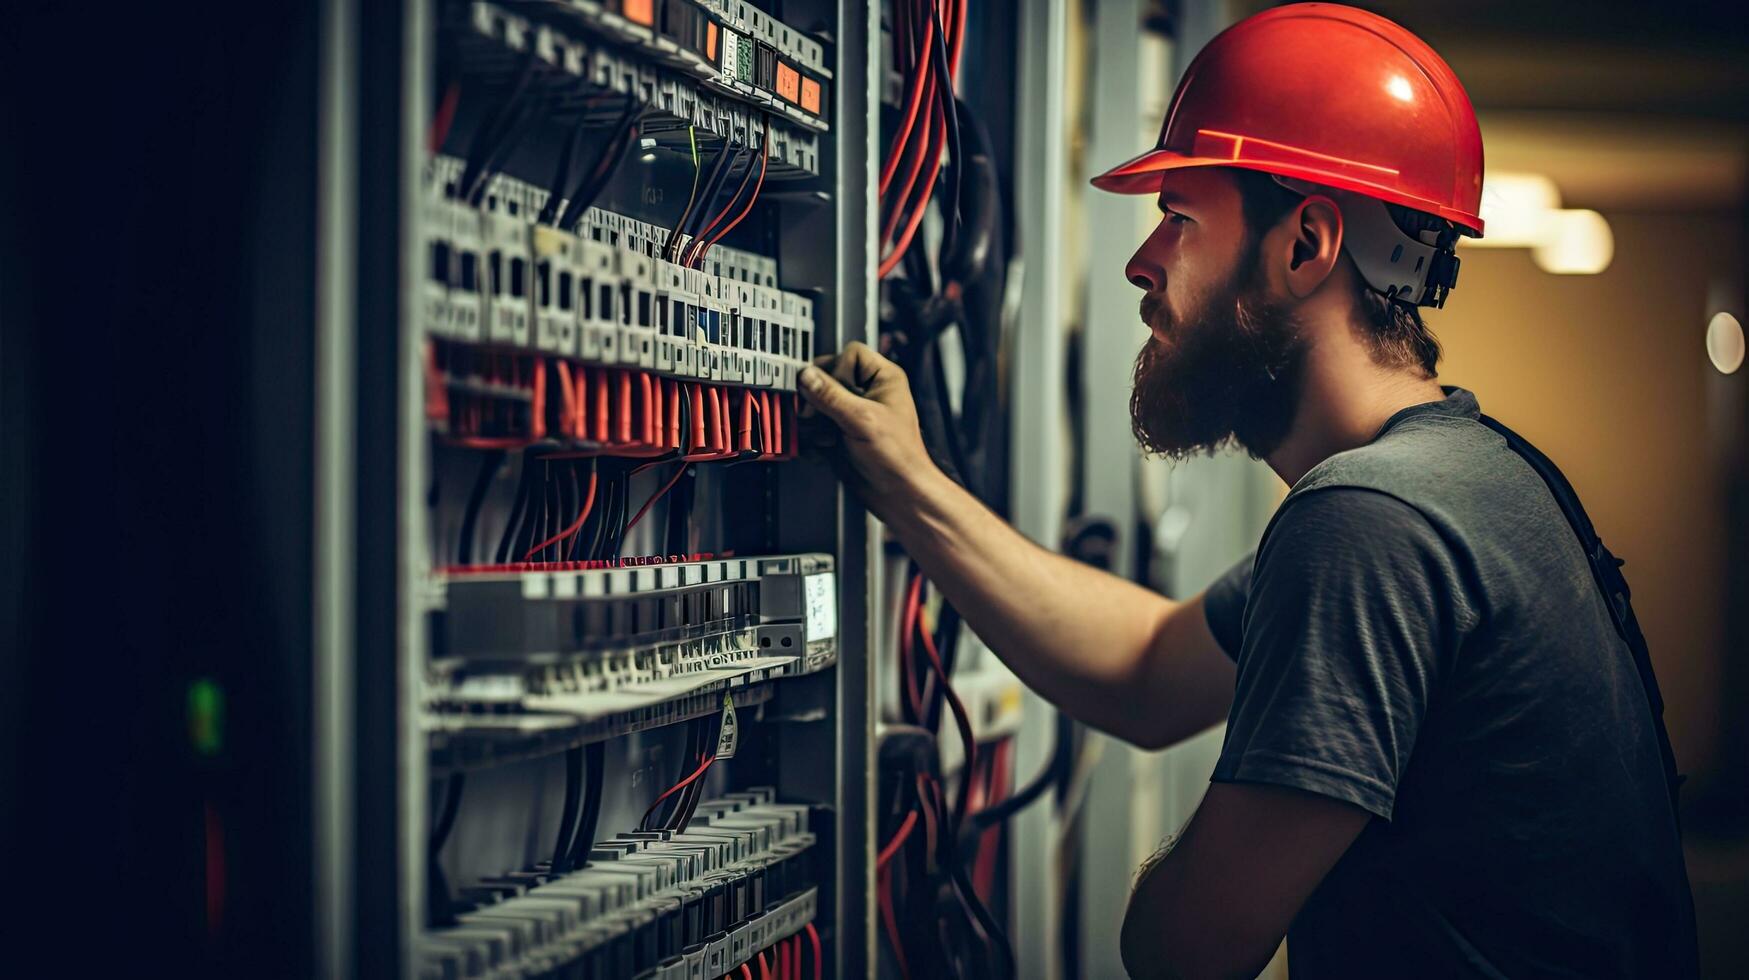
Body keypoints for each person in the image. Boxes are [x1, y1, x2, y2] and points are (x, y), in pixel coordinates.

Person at [797, 4, 1698, 978]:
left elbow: (1181, 946)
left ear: (1306, 243)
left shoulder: (1369, 525)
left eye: (1179, 219)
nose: (1143, 262)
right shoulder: (1482, 475)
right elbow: (1145, 666)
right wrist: (911, 484)